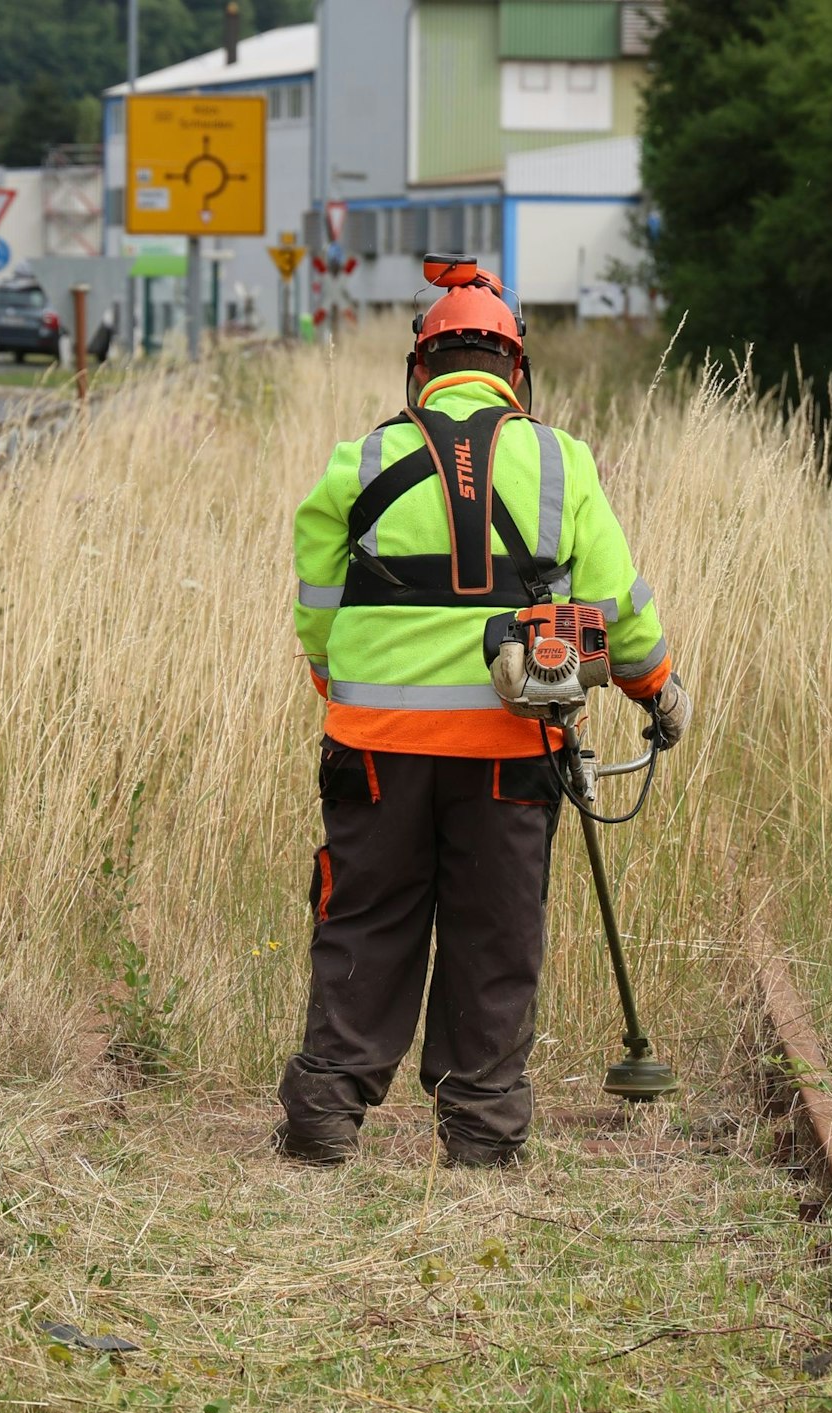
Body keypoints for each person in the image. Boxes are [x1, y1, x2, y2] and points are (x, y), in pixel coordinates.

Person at [274, 259, 692, 1168]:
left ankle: (324, 1117)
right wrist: (655, 688)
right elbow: (617, 602)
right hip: (513, 744)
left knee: (366, 916)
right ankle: (483, 1132)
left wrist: (335, 685)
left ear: (421, 370)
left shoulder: (362, 459)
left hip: (375, 749)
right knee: (495, 927)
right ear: (515, 373)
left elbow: (317, 603)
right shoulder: (560, 458)